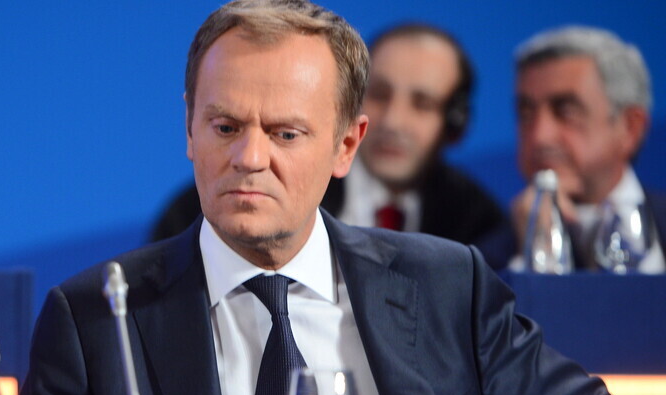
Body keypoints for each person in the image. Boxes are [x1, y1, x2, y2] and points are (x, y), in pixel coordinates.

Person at [13, 0, 637, 395]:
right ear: (189, 127)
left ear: (346, 145)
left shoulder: (448, 287)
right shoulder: (96, 318)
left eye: (285, 134)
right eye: (225, 127)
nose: (249, 157)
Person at [150, 23, 513, 269]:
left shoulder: (478, 227)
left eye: (422, 104)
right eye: (379, 94)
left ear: (455, 125)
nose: (393, 121)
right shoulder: (213, 205)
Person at [511, 26, 666, 272]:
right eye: (526, 113)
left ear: (630, 127)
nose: (540, 136)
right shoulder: (484, 261)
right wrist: (536, 259)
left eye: (566, 111)